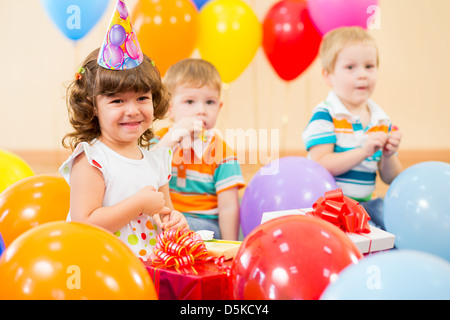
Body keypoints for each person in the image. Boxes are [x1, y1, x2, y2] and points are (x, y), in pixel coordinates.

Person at [59, 1, 187, 261]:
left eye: (142, 98)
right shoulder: (92, 159)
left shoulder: (156, 159)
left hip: (148, 269)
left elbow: (163, 214)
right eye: (117, 101)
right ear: (93, 107)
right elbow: (84, 224)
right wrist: (138, 205)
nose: (132, 110)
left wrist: (175, 221)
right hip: (103, 268)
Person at [302, 27, 402, 230]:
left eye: (369, 66)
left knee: (395, 228)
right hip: (331, 206)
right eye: (350, 67)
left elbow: (391, 178)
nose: (362, 75)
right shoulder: (326, 114)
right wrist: (364, 151)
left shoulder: (380, 119)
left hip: (366, 203)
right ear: (328, 76)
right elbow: (322, 164)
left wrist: (389, 155)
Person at [151, 59, 245, 240]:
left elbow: (228, 207)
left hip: (203, 225)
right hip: (163, 217)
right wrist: (173, 138)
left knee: (176, 227)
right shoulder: (159, 140)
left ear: (219, 107)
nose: (201, 110)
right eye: (190, 102)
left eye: (210, 102)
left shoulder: (222, 153)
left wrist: (228, 247)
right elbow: (144, 173)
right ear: (170, 108)